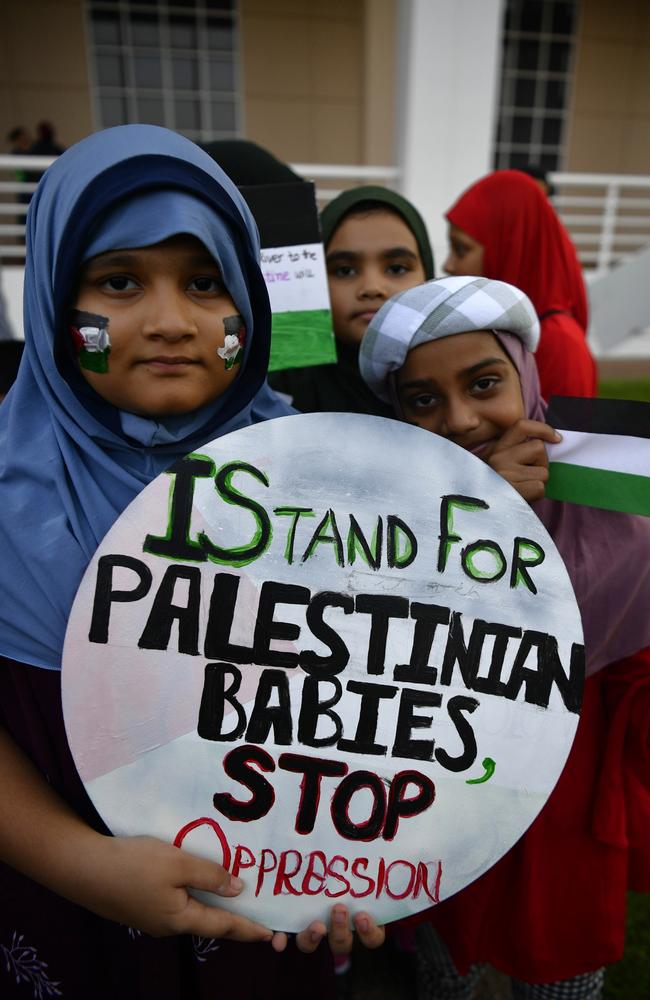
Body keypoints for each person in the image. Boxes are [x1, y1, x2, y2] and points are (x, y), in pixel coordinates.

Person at [0, 124, 383, 1000]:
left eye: (207, 283)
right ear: (57, 296)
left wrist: (369, 857)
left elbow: (374, 704)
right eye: (119, 280)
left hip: (265, 919)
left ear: (250, 304)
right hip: (75, 917)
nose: (171, 321)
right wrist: (80, 864)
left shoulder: (334, 487)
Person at [359, 275, 650, 999]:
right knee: (446, 968)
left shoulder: (614, 516)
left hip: (565, 815)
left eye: (485, 383)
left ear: (526, 378)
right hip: (443, 805)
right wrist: (471, 524)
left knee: (559, 973)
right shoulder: (381, 523)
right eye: (422, 401)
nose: (460, 420)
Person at [269, 185, 434, 416]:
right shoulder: (279, 392)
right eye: (345, 271)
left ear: (428, 277)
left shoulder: (451, 382)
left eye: (397, 268)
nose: (371, 288)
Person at [443, 170, 597, 401]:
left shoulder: (559, 346)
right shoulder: (506, 329)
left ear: (508, 251)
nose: (448, 265)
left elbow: (563, 437)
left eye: (461, 249)